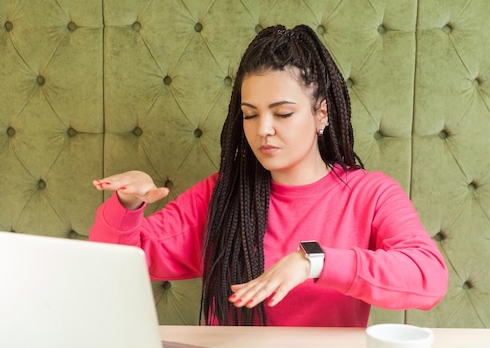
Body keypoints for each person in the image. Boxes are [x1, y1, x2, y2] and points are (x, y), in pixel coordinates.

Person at [89, 24, 448, 326]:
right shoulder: (223, 194)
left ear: (321, 113)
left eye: (282, 113)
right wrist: (127, 203)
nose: (263, 129)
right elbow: (116, 262)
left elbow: (429, 278)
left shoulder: (369, 194)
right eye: (250, 114)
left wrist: (314, 262)